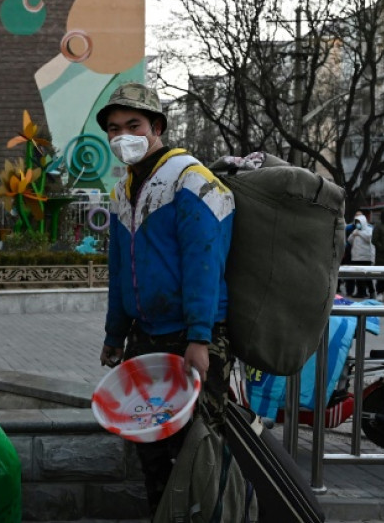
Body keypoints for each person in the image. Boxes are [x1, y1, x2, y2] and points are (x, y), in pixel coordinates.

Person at [95, 83, 235, 516]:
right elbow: (119, 272)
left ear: (157, 126)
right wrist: (114, 336)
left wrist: (199, 337)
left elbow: (203, 261)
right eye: (114, 129)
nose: (123, 136)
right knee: (150, 448)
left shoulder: (190, 178)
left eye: (133, 125)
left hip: (194, 336)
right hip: (145, 337)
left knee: (196, 448)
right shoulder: (123, 191)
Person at [347, 212, 376, 299]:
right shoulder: (355, 231)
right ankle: (360, 292)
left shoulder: (369, 230)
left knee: (367, 276)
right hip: (356, 257)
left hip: (365, 257)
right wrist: (353, 235)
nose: (357, 225)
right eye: (356, 223)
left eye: (359, 223)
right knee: (358, 276)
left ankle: (371, 292)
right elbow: (349, 240)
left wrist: (359, 233)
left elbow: (369, 239)